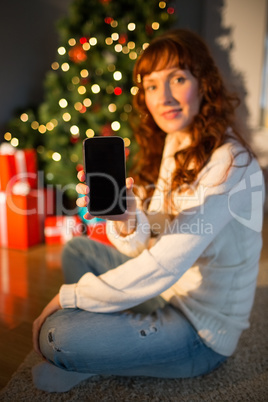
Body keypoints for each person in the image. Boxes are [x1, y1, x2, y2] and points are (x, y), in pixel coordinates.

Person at [32, 29, 265, 392]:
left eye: (177, 78)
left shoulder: (230, 164)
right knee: (77, 248)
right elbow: (147, 246)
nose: (165, 97)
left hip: (201, 331)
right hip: (168, 291)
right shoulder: (177, 141)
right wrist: (126, 220)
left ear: (203, 82)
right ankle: (109, 342)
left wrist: (69, 297)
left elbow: (164, 265)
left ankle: (97, 347)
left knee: (57, 336)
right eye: (152, 85)